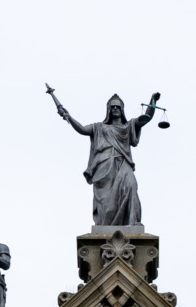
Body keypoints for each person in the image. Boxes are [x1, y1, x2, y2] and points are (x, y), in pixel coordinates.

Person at [47, 85, 159, 227]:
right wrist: (68, 117)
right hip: (104, 166)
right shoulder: (99, 127)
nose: (115, 109)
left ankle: (132, 222)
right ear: (108, 110)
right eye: (112, 107)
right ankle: (106, 226)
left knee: (131, 185)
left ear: (122, 109)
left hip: (123, 163)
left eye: (118, 107)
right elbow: (81, 129)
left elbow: (145, 119)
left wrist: (153, 101)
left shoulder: (128, 126)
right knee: (106, 200)